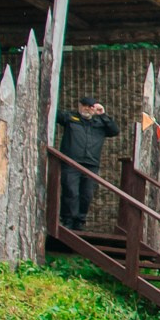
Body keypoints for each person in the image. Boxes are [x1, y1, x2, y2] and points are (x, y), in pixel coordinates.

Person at [55, 96, 119, 231]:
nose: (86, 109)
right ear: (79, 105)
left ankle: (80, 221)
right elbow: (55, 114)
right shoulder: (70, 118)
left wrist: (103, 114)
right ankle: (68, 220)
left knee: (87, 194)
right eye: (84, 105)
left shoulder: (100, 122)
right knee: (70, 191)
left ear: (94, 108)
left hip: (91, 164)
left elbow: (114, 131)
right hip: (71, 162)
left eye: (90, 106)